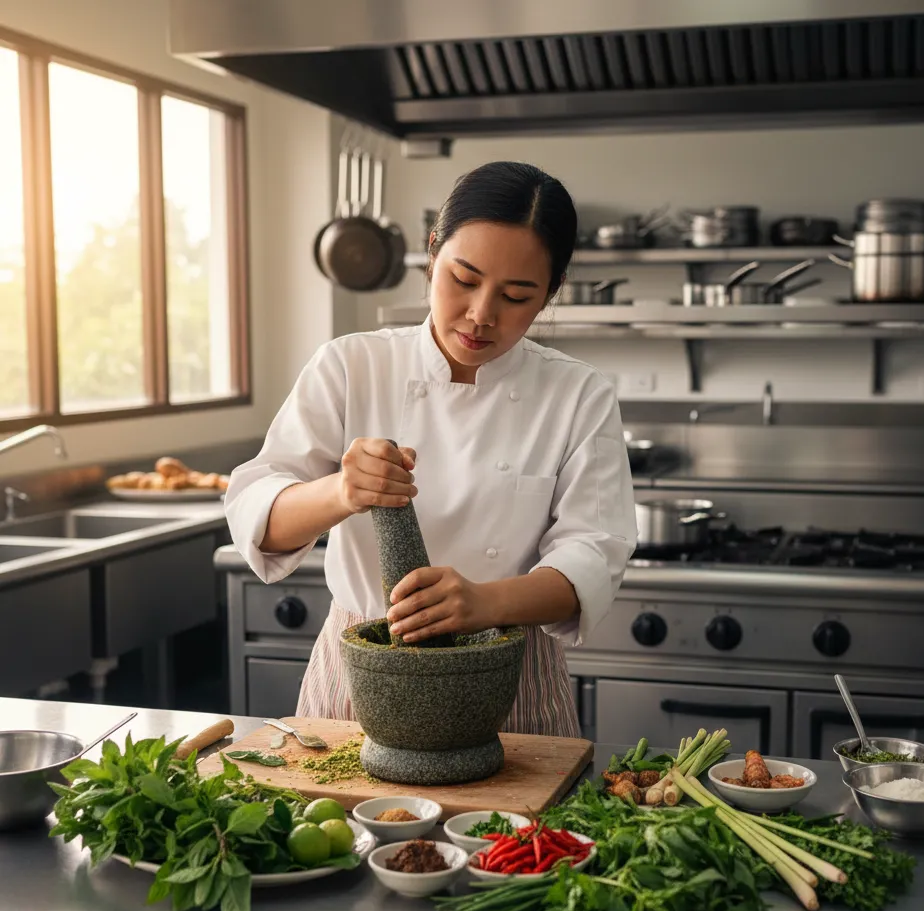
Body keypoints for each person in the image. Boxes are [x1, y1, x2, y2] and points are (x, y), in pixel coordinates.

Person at [226, 160, 637, 737]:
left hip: (509, 683)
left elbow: (593, 556)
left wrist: (486, 603)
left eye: (517, 295)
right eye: (463, 279)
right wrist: (341, 492)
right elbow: (257, 516)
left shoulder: (578, 394)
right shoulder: (350, 365)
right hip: (363, 675)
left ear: (549, 295)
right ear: (431, 252)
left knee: (521, 831)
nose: (481, 315)